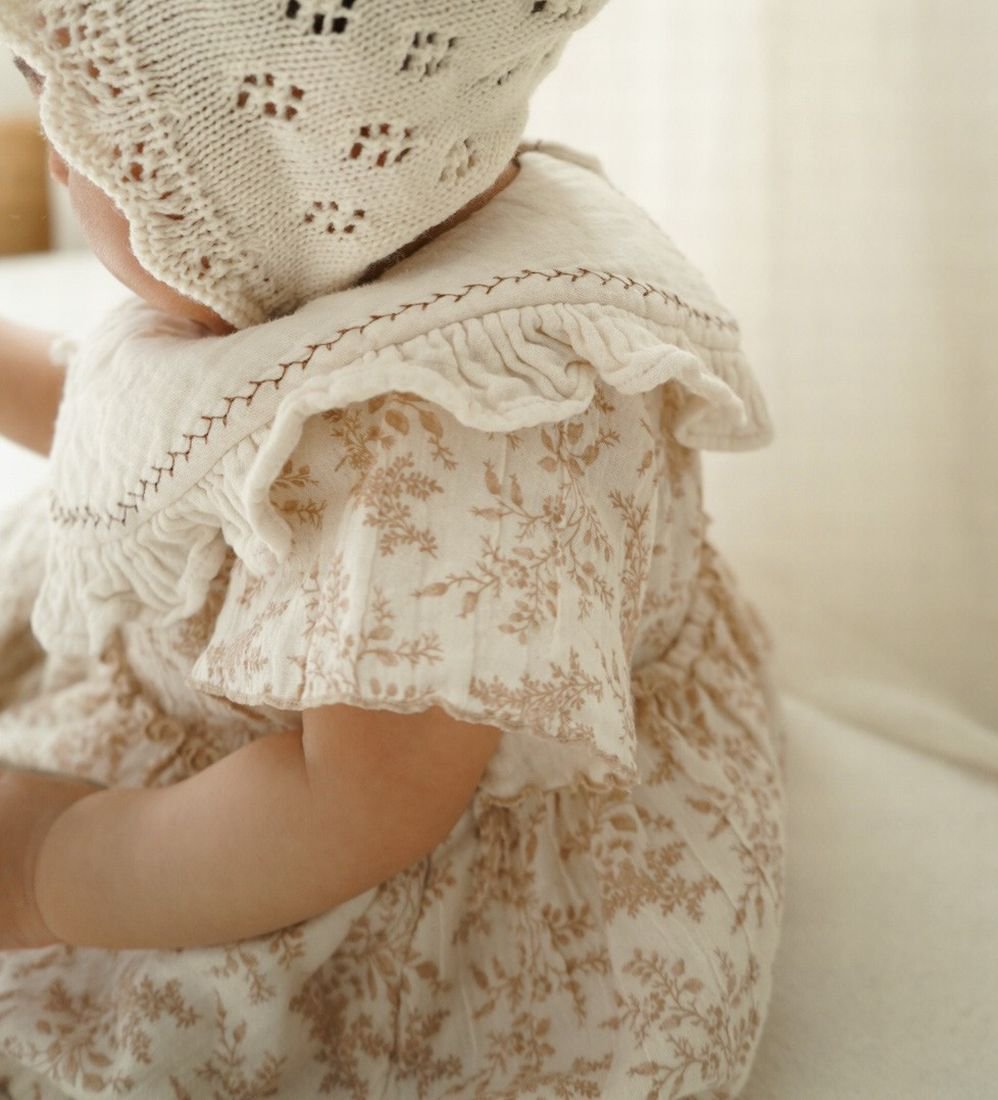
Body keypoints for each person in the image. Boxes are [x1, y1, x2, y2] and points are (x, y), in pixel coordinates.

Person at [0, 2, 787, 1097]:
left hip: (349, 810)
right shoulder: (337, 250)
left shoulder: (463, 430)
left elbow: (359, 807)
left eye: (77, 111)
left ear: (268, 160)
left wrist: (49, 869)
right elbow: (173, 431)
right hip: (317, 708)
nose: (54, 151)